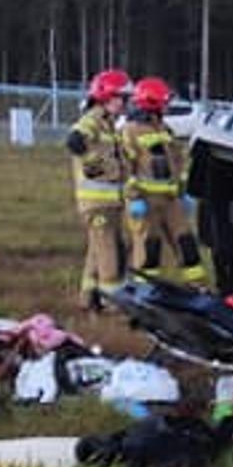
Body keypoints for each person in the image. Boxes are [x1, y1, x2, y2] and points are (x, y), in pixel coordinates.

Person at [122, 77, 209, 286]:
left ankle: (199, 289)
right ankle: (144, 294)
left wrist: (184, 190)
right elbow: (124, 169)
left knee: (186, 244)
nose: (167, 105)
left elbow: (177, 163)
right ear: (151, 102)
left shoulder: (164, 129)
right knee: (149, 249)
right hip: (146, 203)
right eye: (164, 101)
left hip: (171, 201)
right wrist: (133, 198)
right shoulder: (130, 131)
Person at [66, 70, 132, 311]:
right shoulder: (92, 120)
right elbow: (74, 141)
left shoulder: (108, 123)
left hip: (109, 202)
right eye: (121, 98)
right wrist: (96, 164)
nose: (125, 103)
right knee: (109, 253)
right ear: (106, 96)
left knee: (97, 250)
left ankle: (87, 298)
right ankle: (112, 303)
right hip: (97, 203)